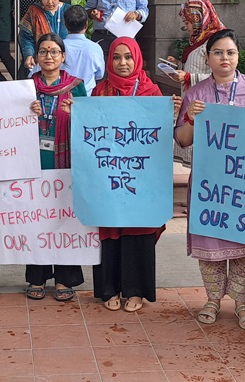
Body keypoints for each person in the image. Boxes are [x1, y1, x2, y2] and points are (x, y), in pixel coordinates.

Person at [61, 37, 181, 312]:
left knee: (138, 230)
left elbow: (160, 138)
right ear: (109, 61)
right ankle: (109, 290)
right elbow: (89, 135)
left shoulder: (152, 93)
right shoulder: (99, 93)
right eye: (117, 57)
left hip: (141, 180)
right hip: (108, 180)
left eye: (128, 57)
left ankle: (136, 291)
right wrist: (75, 115)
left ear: (138, 59)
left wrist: (170, 114)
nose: (123, 63)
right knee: (110, 230)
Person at [174, 29, 245, 330]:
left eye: (230, 52)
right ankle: (213, 300)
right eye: (218, 52)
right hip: (209, 185)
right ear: (207, 58)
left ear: (238, 56)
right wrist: (190, 116)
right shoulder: (197, 93)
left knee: (243, 245)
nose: (224, 58)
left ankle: (243, 303)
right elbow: (182, 140)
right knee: (212, 247)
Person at [24, 33, 87, 301]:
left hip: (67, 164)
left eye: (54, 52)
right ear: (36, 57)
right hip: (34, 164)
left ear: (63, 57)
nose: (48, 56)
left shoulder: (77, 86)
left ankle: (65, 278)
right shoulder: (25, 87)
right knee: (36, 220)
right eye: (43, 51)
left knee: (64, 221)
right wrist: (25, 111)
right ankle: (37, 277)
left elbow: (90, 125)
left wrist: (77, 114)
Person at [167, 0, 226, 90]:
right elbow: (198, 67)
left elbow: (222, 76)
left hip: (204, 100)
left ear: (197, 20)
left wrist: (189, 78)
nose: (185, 27)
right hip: (193, 98)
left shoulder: (217, 43)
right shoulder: (198, 41)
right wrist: (178, 65)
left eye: (187, 23)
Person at [20, 0, 70, 75]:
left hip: (66, 62)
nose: (50, 2)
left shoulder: (68, 10)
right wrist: (29, 54)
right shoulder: (34, 11)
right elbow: (26, 38)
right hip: (41, 61)